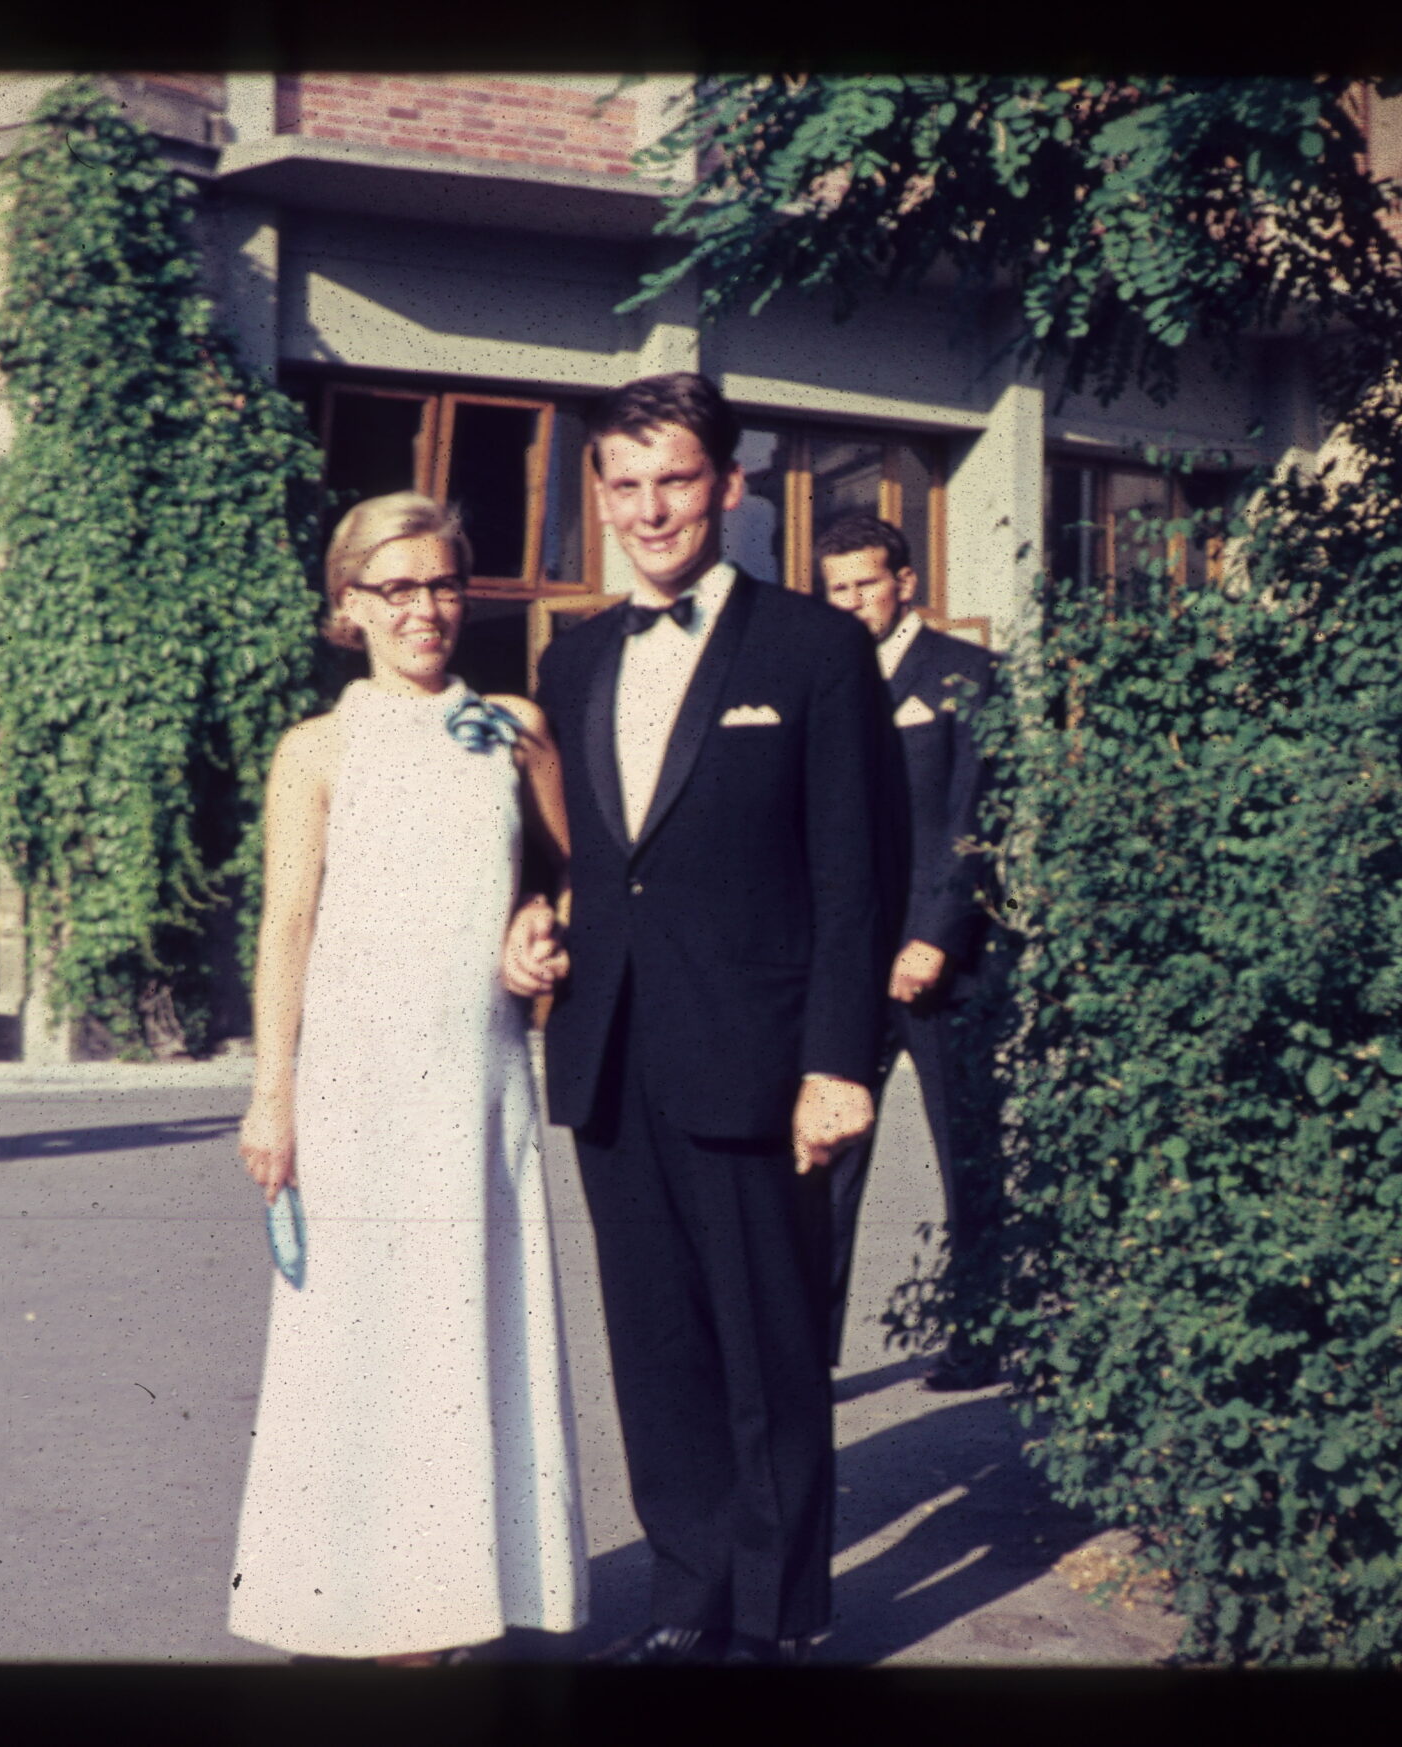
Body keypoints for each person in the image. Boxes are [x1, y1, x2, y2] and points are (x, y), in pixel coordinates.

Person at [502, 374, 901, 1665]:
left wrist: (838, 1061)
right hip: (612, 1052)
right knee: (658, 1347)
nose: (649, 508)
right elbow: (572, 854)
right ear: (599, 496)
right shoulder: (572, 658)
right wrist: (530, 915)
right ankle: (687, 1597)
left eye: (674, 478)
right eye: (624, 484)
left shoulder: (814, 648)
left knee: (768, 1349)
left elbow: (858, 873)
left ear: (729, 485)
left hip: (759, 1058)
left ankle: (777, 1622)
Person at [229, 491, 587, 1665]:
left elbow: (572, 875)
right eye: (395, 588)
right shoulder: (315, 751)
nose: (423, 609)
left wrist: (539, 921)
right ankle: (353, 1596)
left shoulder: (513, 728)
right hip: (356, 1091)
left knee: (461, 1330)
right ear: (349, 605)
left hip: (475, 1083)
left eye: (441, 584)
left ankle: (450, 1600)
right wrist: (272, 1094)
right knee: (360, 1338)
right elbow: (286, 926)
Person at [813, 513, 1004, 1391]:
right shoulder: (820, 679)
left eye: (866, 583)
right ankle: (808, 1351)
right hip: (846, 963)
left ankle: (980, 1334)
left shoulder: (969, 675)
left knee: (967, 1151)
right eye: (837, 588)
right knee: (828, 1152)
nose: (852, 601)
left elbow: (976, 820)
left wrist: (935, 935)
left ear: (905, 583)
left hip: (942, 967)